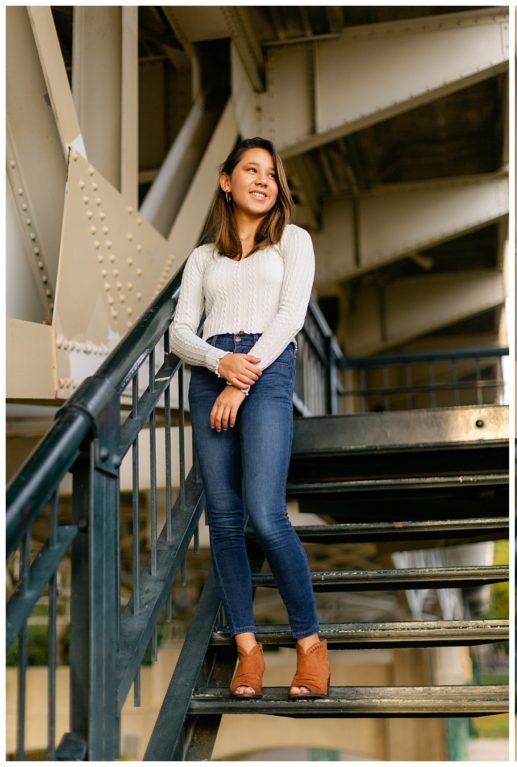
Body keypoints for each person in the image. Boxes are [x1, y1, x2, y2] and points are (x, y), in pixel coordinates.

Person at [170, 137, 328, 700]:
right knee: (226, 520)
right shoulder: (201, 258)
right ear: (226, 180)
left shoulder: (293, 241)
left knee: (265, 513)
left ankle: (310, 647)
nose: (264, 181)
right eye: (251, 170)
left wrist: (242, 379)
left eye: (272, 174)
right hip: (213, 371)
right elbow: (180, 332)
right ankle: (248, 651)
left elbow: (291, 316)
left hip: (265, 371)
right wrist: (219, 363)